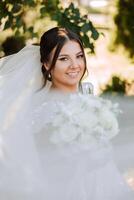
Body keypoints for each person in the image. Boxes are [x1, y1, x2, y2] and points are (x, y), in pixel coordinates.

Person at [0, 27, 134, 200]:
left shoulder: (87, 92)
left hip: (104, 182)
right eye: (64, 59)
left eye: (79, 56)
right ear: (47, 64)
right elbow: (46, 167)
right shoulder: (44, 111)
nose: (75, 65)